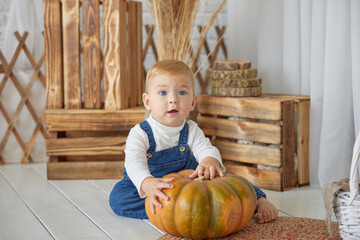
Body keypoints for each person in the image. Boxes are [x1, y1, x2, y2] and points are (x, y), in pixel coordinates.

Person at [109, 60, 278, 224]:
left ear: (192, 102)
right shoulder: (140, 133)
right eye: (163, 93)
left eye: (182, 93)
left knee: (227, 178)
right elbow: (134, 162)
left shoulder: (191, 129)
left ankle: (257, 200)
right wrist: (147, 183)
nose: (173, 99)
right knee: (118, 198)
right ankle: (177, 210)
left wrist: (209, 160)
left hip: (187, 180)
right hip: (152, 182)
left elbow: (205, 148)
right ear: (147, 102)